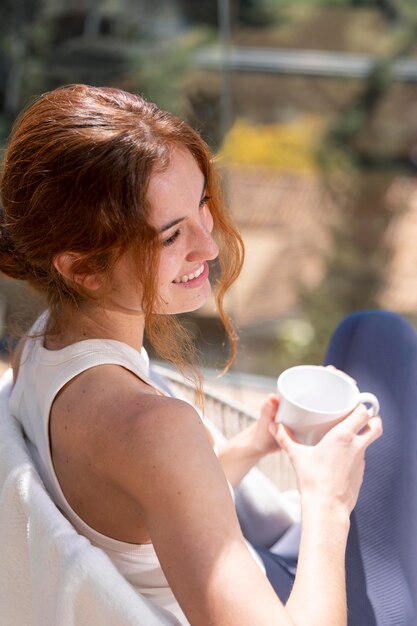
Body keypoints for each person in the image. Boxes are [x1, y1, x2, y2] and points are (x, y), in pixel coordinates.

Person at [0, 84, 382, 626]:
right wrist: (328, 501)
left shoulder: (41, 345)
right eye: (170, 236)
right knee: (381, 341)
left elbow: (150, 502)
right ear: (82, 267)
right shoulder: (154, 426)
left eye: (201, 202)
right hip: (291, 601)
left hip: (239, 576)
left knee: (374, 333)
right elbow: (157, 459)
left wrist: (252, 445)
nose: (208, 245)